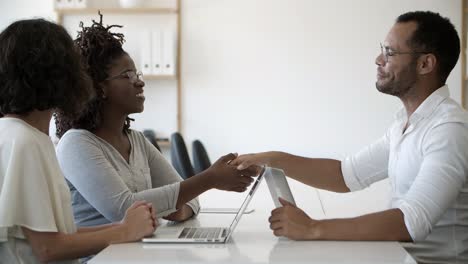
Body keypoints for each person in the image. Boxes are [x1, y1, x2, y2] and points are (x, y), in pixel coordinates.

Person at [232, 11, 468, 264]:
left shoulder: (449, 130)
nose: (379, 59)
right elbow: (345, 174)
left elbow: (411, 222)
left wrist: (312, 228)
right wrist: (272, 159)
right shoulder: (407, 124)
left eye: (390, 52)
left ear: (425, 64)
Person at [54, 13, 255, 228]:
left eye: (137, 74)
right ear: (100, 88)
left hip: (138, 252)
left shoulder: (137, 141)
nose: (140, 82)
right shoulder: (76, 143)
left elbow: (192, 202)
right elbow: (123, 211)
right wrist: (209, 179)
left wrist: (167, 206)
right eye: (128, 75)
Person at [0, 19, 156, 263]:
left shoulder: (21, 135)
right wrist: (124, 231)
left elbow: (58, 235)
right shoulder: (24, 142)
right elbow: (47, 249)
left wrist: (124, 227)